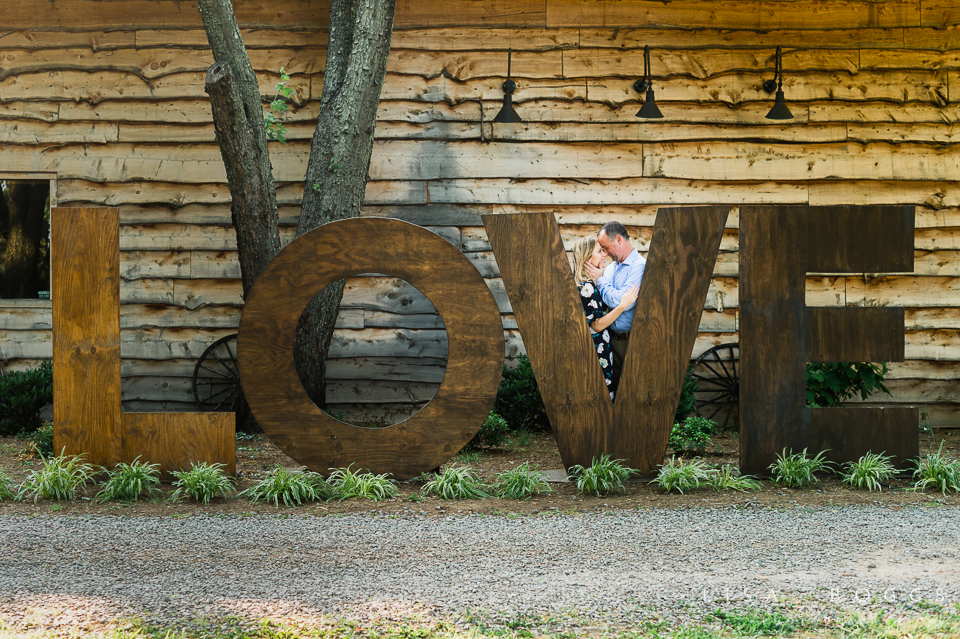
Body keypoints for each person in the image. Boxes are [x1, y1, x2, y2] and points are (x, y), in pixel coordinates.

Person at [573, 236, 639, 399]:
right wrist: (622, 305)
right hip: (596, 350)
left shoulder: (590, 283)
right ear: (588, 257)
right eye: (599, 251)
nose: (604, 254)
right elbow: (596, 325)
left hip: (602, 347)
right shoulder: (586, 287)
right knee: (602, 396)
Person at [582, 221, 646, 390]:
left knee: (630, 391)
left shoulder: (639, 266)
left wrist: (600, 280)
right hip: (610, 341)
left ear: (618, 240)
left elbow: (620, 302)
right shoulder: (610, 269)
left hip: (631, 341)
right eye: (601, 249)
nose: (605, 253)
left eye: (605, 247)